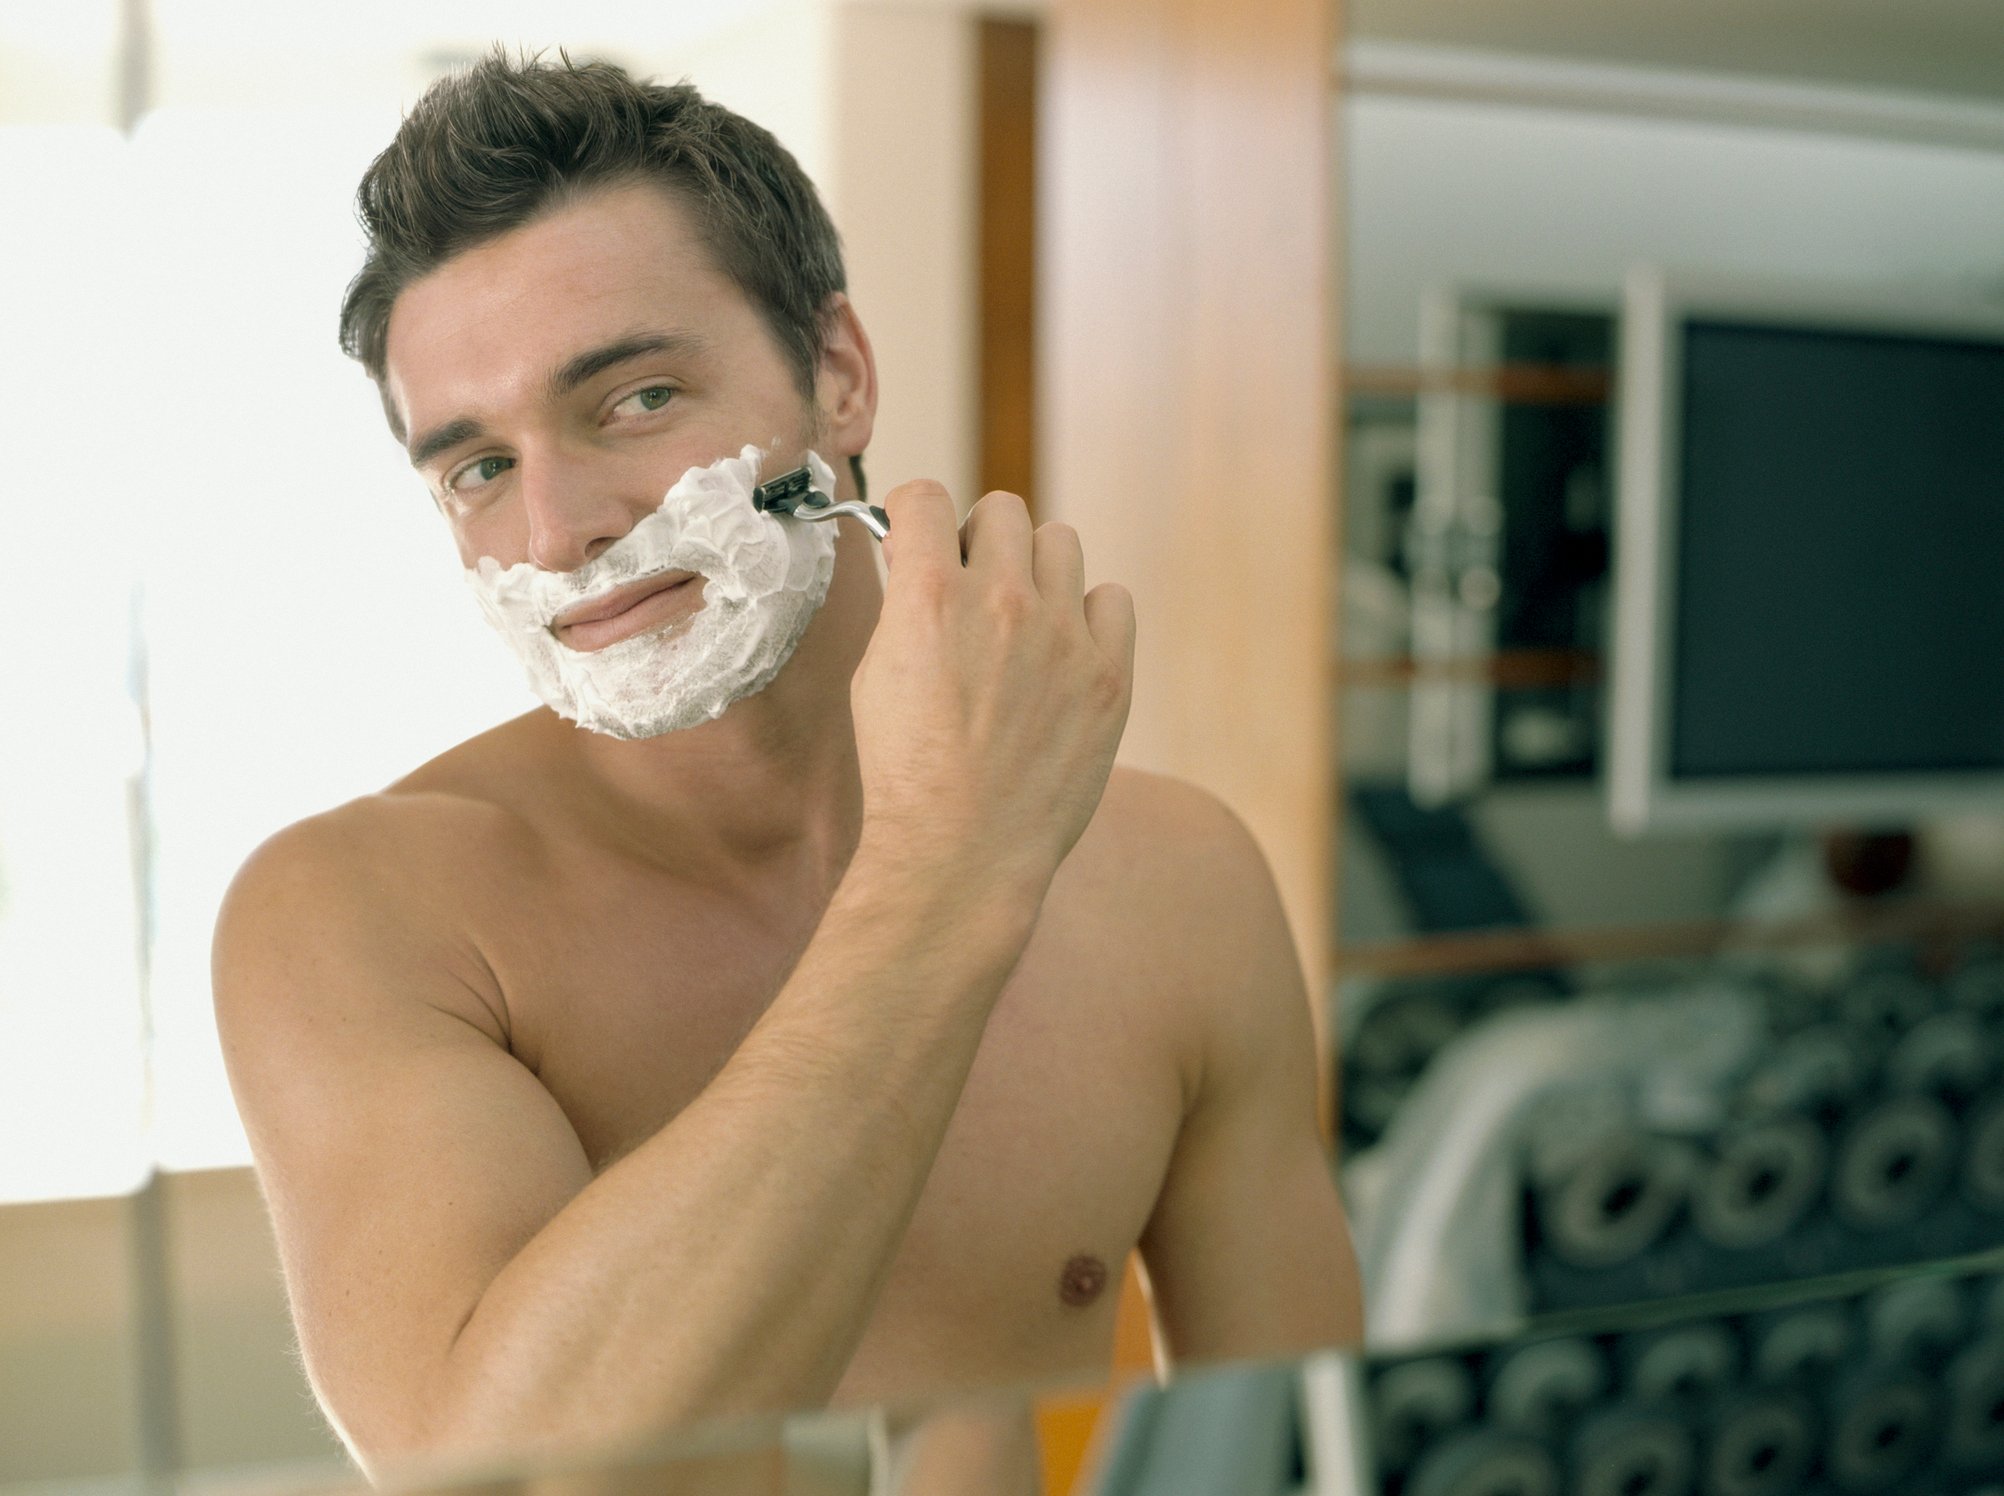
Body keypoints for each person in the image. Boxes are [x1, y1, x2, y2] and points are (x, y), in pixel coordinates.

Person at [212, 50, 1360, 1482]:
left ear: (838, 379)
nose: (557, 530)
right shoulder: (356, 917)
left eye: (634, 399)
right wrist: (946, 875)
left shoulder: (1179, 881)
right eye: (479, 469)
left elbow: (1312, 1446)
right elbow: (504, 1474)